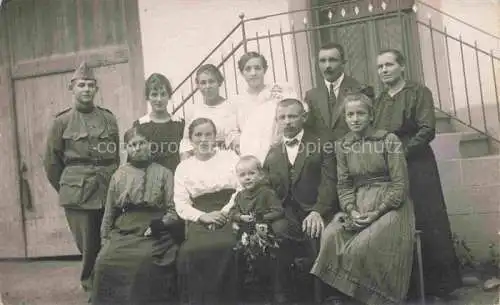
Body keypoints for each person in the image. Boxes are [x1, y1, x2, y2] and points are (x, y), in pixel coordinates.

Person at [310, 93, 416, 305]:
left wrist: (377, 212)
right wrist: (351, 210)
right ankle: (347, 296)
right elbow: (344, 184)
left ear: (371, 116)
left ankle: (375, 299)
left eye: (360, 113)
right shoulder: (342, 145)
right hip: (359, 205)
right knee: (331, 235)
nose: (355, 119)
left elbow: (400, 186)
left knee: (360, 247)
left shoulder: (388, 140)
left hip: (392, 209)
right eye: (350, 114)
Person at [373, 49, 461, 300]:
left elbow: (427, 129)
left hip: (417, 162)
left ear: (402, 66)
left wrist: (401, 152)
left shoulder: (418, 92)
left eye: (389, 64)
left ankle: (440, 285)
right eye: (380, 67)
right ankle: (409, 284)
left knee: (427, 217)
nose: (384, 70)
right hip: (390, 166)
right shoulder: (379, 101)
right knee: (399, 219)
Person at [43, 61, 120, 294]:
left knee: (111, 238)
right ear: (72, 88)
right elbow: (51, 162)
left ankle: (111, 285)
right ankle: (91, 289)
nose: (86, 89)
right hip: (78, 192)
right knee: (88, 246)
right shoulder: (62, 122)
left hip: (107, 187)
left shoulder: (108, 118)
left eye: (90, 85)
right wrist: (68, 186)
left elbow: (115, 155)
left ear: (96, 89)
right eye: (81, 85)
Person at [91, 127, 181, 305]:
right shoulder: (119, 175)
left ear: (150, 145)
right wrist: (105, 239)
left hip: (154, 229)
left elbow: (173, 210)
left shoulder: (164, 173)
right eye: (132, 145)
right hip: (124, 229)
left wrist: (159, 225)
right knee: (104, 261)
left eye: (141, 143)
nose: (137, 148)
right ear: (127, 149)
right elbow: (110, 211)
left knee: (145, 261)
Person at [263, 98, 338, 303]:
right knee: (277, 236)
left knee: (317, 238)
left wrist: (318, 211)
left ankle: (322, 297)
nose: (287, 121)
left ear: (304, 117)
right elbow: (267, 186)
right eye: (282, 117)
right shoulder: (273, 151)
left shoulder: (322, 144)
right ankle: (283, 296)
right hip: (286, 212)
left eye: (292, 116)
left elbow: (329, 181)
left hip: (315, 208)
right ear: (277, 120)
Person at [174, 118, 240, 305]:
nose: (204, 140)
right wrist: (202, 216)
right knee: (191, 251)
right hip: (201, 216)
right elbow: (181, 203)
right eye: (198, 135)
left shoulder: (230, 158)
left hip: (230, 211)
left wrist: (225, 212)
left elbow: (241, 188)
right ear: (191, 139)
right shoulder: (184, 167)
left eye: (208, 134)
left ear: (215, 137)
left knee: (229, 246)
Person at [230, 155, 285, 301]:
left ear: (260, 175)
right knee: (239, 255)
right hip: (245, 233)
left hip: (263, 231)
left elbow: (278, 211)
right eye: (242, 175)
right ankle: (245, 290)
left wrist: (260, 218)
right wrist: (240, 217)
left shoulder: (266, 193)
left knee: (266, 257)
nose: (247, 178)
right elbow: (232, 212)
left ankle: (271, 289)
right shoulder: (240, 196)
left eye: (251, 173)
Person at [232, 51, 301, 163]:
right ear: (241, 73)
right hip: (252, 155)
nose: (253, 73)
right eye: (248, 69)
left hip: (281, 150)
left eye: (257, 68)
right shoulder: (237, 101)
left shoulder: (280, 91)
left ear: (265, 69)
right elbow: (234, 132)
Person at [304, 42, 369, 142]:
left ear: (343, 63)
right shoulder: (312, 96)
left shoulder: (359, 90)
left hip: (352, 151)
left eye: (332, 60)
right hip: (324, 154)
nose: (327, 66)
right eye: (322, 61)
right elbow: (308, 130)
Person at [179, 64, 239, 159]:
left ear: (219, 82)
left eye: (211, 81)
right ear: (198, 86)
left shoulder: (230, 107)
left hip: (224, 157)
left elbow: (234, 137)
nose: (207, 86)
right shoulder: (193, 110)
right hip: (199, 159)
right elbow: (186, 141)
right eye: (203, 83)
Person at [133, 73, 184, 172]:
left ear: (169, 96)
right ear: (147, 97)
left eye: (163, 94)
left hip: (176, 180)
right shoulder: (140, 125)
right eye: (154, 94)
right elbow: (135, 160)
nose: (159, 99)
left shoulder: (179, 123)